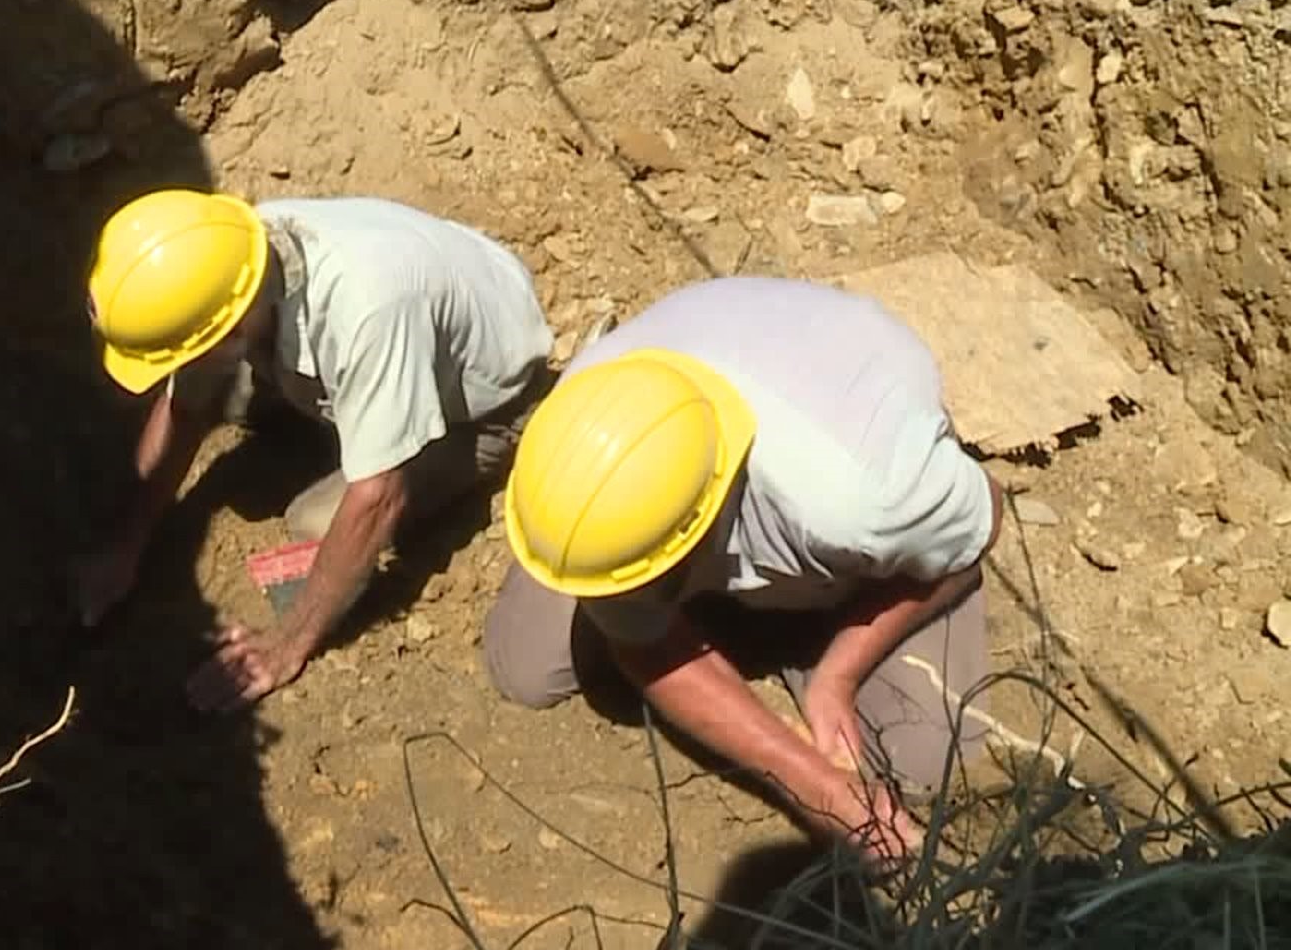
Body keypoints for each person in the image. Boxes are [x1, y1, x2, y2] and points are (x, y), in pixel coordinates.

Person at [484, 275, 1005, 864]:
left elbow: (983, 525)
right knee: (523, 663)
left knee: (920, 760)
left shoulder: (864, 501)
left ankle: (796, 628)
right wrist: (809, 779)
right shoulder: (594, 417)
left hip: (844, 434)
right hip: (713, 440)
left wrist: (840, 672)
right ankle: (752, 630)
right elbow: (644, 642)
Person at [72, 188, 554, 713]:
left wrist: (284, 646)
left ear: (228, 328)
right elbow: (186, 407)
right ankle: (353, 418)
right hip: (416, 304)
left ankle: (495, 439)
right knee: (224, 396)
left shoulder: (368, 313)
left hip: (485, 399)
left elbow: (377, 498)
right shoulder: (227, 259)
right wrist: (126, 543)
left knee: (316, 523)